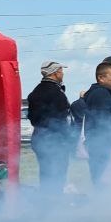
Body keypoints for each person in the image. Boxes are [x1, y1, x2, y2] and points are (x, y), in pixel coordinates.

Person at [27, 61, 75, 198]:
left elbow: (32, 117)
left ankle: (46, 201)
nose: (62, 73)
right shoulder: (56, 93)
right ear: (55, 73)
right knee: (58, 173)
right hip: (56, 140)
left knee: (46, 172)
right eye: (61, 71)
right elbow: (62, 118)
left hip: (39, 138)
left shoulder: (35, 92)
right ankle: (53, 202)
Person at [82, 61, 111, 184]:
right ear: (101, 78)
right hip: (106, 151)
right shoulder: (101, 94)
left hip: (103, 149)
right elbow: (103, 125)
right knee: (106, 186)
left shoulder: (101, 92)